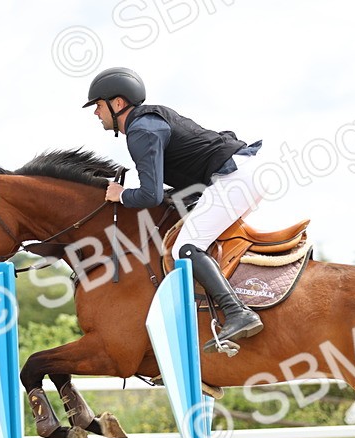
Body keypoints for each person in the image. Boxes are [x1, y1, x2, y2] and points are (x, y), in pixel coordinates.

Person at [83, 66, 263, 353]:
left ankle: (238, 312)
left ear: (118, 104)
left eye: (98, 106)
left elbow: (149, 195)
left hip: (233, 179)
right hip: (238, 176)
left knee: (186, 248)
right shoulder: (149, 121)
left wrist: (121, 194)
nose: (96, 113)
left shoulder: (140, 131)